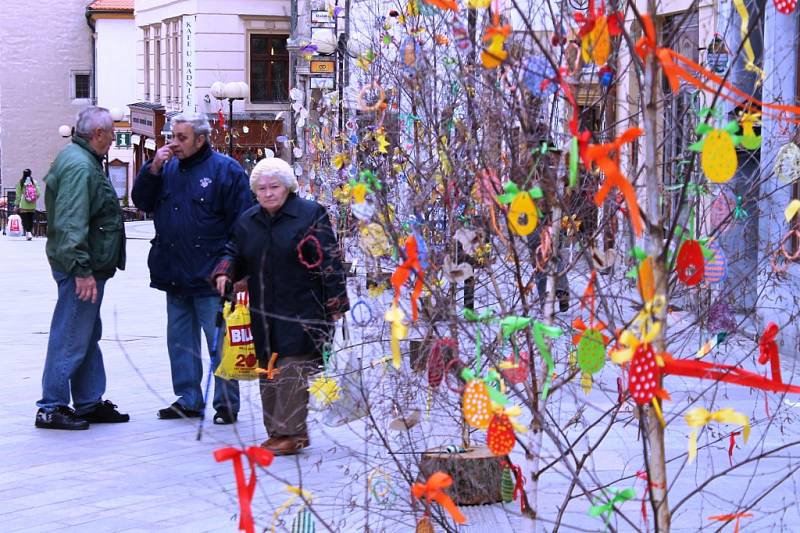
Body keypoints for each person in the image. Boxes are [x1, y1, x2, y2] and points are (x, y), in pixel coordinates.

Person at [211, 158, 350, 455]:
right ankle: (277, 433)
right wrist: (224, 272)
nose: (268, 193)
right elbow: (233, 250)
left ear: (287, 187)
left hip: (305, 308)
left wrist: (336, 303)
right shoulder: (248, 221)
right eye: (261, 189)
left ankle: (293, 433)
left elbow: (330, 259)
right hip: (264, 310)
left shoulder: (310, 214)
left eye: (274, 187)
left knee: (292, 369)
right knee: (268, 369)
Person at [132, 112, 253, 425]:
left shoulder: (226, 170)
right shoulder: (166, 168)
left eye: (181, 137)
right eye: (171, 136)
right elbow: (141, 201)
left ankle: (226, 403)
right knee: (180, 341)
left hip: (212, 275)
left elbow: (242, 224)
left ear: (201, 139)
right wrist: (153, 168)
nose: (174, 143)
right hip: (173, 271)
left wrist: (235, 270)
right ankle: (188, 399)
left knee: (219, 343)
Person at [36, 106, 128, 430]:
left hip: (84, 264)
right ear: (99, 134)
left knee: (85, 332)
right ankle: (52, 406)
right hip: (79, 267)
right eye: (112, 132)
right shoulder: (80, 165)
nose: (115, 137)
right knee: (72, 333)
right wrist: (81, 270)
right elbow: (71, 221)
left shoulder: (80, 157)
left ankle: (88, 401)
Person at [15, 169, 40, 240]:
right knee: (30, 218)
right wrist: (33, 198)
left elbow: (18, 195)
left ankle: (28, 232)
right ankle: (30, 232)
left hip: (23, 204)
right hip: (32, 203)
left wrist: (16, 204)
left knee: (25, 219)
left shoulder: (21, 182)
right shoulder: (34, 182)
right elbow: (38, 193)